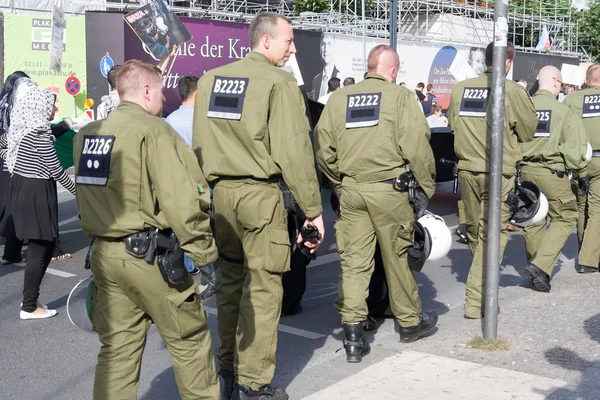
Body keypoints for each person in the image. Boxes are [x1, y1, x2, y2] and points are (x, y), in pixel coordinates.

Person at [193, 12, 324, 400]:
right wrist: (313, 209)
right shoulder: (278, 83)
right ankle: (255, 383)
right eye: (289, 40)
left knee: (230, 286)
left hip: (222, 200)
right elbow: (295, 151)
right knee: (264, 289)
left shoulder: (210, 80)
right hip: (261, 198)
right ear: (266, 41)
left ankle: (228, 371)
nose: (293, 47)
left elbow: (199, 145)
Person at [74, 59, 219, 399]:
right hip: (149, 257)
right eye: (161, 89)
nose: (165, 96)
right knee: (189, 341)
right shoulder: (154, 131)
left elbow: (84, 197)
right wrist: (206, 254)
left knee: (118, 350)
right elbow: (181, 199)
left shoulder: (88, 135)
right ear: (146, 90)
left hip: (104, 254)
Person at [315, 44, 438, 363]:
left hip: (352, 191)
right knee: (397, 257)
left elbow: (322, 146)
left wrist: (340, 182)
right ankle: (410, 323)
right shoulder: (400, 97)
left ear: (369, 66)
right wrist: (425, 188)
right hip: (390, 190)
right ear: (394, 70)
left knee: (354, 263)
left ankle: (353, 336)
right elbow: (417, 146)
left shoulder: (339, 98)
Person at [448, 42, 538, 319]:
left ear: (485, 59)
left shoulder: (460, 89)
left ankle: (482, 288)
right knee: (493, 236)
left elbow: (453, 124)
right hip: (499, 172)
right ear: (507, 63)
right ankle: (478, 302)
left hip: (466, 170)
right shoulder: (512, 90)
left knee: (477, 233)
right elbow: (528, 130)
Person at [0, 84, 76, 319]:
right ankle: (29, 305)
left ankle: (31, 301)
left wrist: (15, 164)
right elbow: (56, 169)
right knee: (40, 245)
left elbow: (3, 148)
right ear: (39, 107)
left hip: (22, 187)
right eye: (50, 104)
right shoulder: (39, 133)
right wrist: (79, 193)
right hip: (37, 190)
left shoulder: (20, 129)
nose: (54, 107)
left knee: (45, 243)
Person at [519, 65, 589, 291]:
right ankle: (541, 265)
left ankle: (538, 269)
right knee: (566, 216)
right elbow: (574, 150)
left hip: (525, 170)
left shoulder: (524, 108)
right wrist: (582, 174)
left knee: (533, 219)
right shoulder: (563, 111)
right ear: (557, 83)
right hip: (551, 171)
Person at [563, 63, 600, 273]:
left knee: (581, 207)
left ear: (586, 80)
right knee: (597, 210)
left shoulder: (572, 99)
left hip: (578, 161)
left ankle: (584, 248)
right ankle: (588, 259)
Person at [0, 71, 30, 265]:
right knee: (17, 202)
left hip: (6, 159)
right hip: (18, 161)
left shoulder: (3, 104)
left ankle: (11, 249)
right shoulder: (19, 106)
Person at [312, 33, 340, 100]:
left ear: (334, 48)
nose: (326, 49)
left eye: (329, 44)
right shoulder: (315, 80)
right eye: (323, 44)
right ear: (320, 48)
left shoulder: (340, 77)